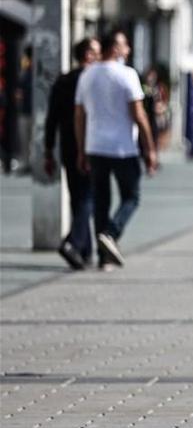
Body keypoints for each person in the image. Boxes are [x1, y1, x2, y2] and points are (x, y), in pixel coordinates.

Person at [75, 29, 157, 270]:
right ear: (114, 48)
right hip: (123, 148)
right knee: (132, 197)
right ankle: (111, 233)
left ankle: (104, 257)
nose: (128, 49)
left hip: (95, 146)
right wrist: (150, 149)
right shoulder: (127, 74)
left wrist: (81, 149)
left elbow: (79, 116)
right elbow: (139, 115)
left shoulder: (87, 75)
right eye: (125, 45)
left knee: (101, 200)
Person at [44, 37, 101, 270]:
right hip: (89, 144)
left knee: (78, 196)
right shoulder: (91, 80)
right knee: (88, 197)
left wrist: (48, 150)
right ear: (87, 55)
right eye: (96, 52)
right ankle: (73, 242)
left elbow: (51, 118)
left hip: (67, 145)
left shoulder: (63, 80)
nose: (99, 57)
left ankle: (84, 251)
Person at [15, 46, 33, 175]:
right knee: (25, 140)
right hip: (26, 112)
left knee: (28, 140)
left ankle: (29, 163)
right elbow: (19, 93)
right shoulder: (25, 73)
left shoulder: (28, 73)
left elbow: (18, 94)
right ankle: (26, 163)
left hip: (30, 112)